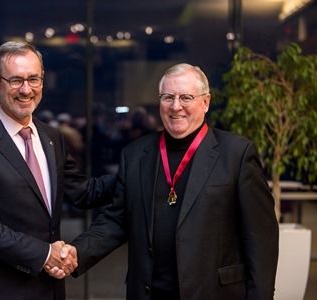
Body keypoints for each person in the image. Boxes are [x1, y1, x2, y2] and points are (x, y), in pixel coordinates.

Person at [49, 63, 279, 299]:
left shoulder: (236, 154)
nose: (176, 106)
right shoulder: (136, 155)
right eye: (168, 97)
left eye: (186, 97)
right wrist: (76, 253)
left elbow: (261, 240)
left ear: (206, 102)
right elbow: (116, 221)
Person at [0, 41, 113, 300]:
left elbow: (84, 192)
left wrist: (138, 170)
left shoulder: (52, 137)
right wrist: (45, 254)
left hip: (50, 289)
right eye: (15, 80)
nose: (26, 90)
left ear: (42, 80)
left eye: (33, 79)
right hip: (1, 290)